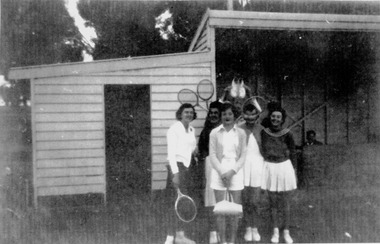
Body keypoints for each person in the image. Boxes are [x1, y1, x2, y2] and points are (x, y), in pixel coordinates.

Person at [209, 102, 247, 244]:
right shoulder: (214, 132)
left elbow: (243, 155)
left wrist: (232, 172)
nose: (227, 116)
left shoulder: (241, 133)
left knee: (235, 210)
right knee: (220, 210)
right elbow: (212, 155)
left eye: (230, 114)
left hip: (235, 172)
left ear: (234, 116)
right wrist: (222, 172)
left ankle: (232, 241)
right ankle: (223, 241)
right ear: (221, 116)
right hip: (219, 171)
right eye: (224, 114)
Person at [260, 105, 297, 244]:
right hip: (270, 167)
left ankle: (286, 232)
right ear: (270, 117)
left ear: (282, 120)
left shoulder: (288, 133)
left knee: (285, 203)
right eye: (273, 116)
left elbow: (293, 153)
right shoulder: (264, 133)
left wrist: (294, 172)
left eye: (278, 117)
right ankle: (275, 231)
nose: (275, 119)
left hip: (284, 168)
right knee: (273, 203)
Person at [164, 103, 197, 244]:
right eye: (186, 112)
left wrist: (193, 151)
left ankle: (180, 236)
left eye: (191, 112)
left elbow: (190, 147)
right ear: (180, 114)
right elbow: (171, 154)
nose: (189, 114)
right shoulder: (174, 129)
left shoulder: (191, 129)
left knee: (183, 204)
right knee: (173, 204)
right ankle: (169, 238)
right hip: (176, 169)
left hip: (187, 170)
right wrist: (175, 174)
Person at [195, 100, 222, 244]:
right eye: (211, 113)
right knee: (211, 201)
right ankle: (213, 233)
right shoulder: (205, 131)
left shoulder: (228, 129)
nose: (213, 115)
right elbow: (201, 152)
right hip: (210, 168)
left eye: (216, 113)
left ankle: (222, 232)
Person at [239, 103, 265, 242]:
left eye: (252, 114)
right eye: (247, 114)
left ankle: (255, 228)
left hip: (257, 167)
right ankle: (248, 228)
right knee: (245, 200)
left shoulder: (262, 130)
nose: (249, 117)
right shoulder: (238, 129)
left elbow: (265, 151)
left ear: (257, 115)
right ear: (243, 115)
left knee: (255, 201)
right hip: (242, 167)